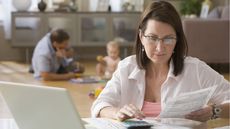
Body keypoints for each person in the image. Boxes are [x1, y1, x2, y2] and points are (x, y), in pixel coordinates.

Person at [91, 1, 230, 122]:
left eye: (168, 39)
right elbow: (100, 105)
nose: (160, 47)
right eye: (152, 37)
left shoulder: (196, 70)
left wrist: (214, 111)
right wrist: (116, 113)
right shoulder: (126, 67)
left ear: (177, 39)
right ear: (141, 36)